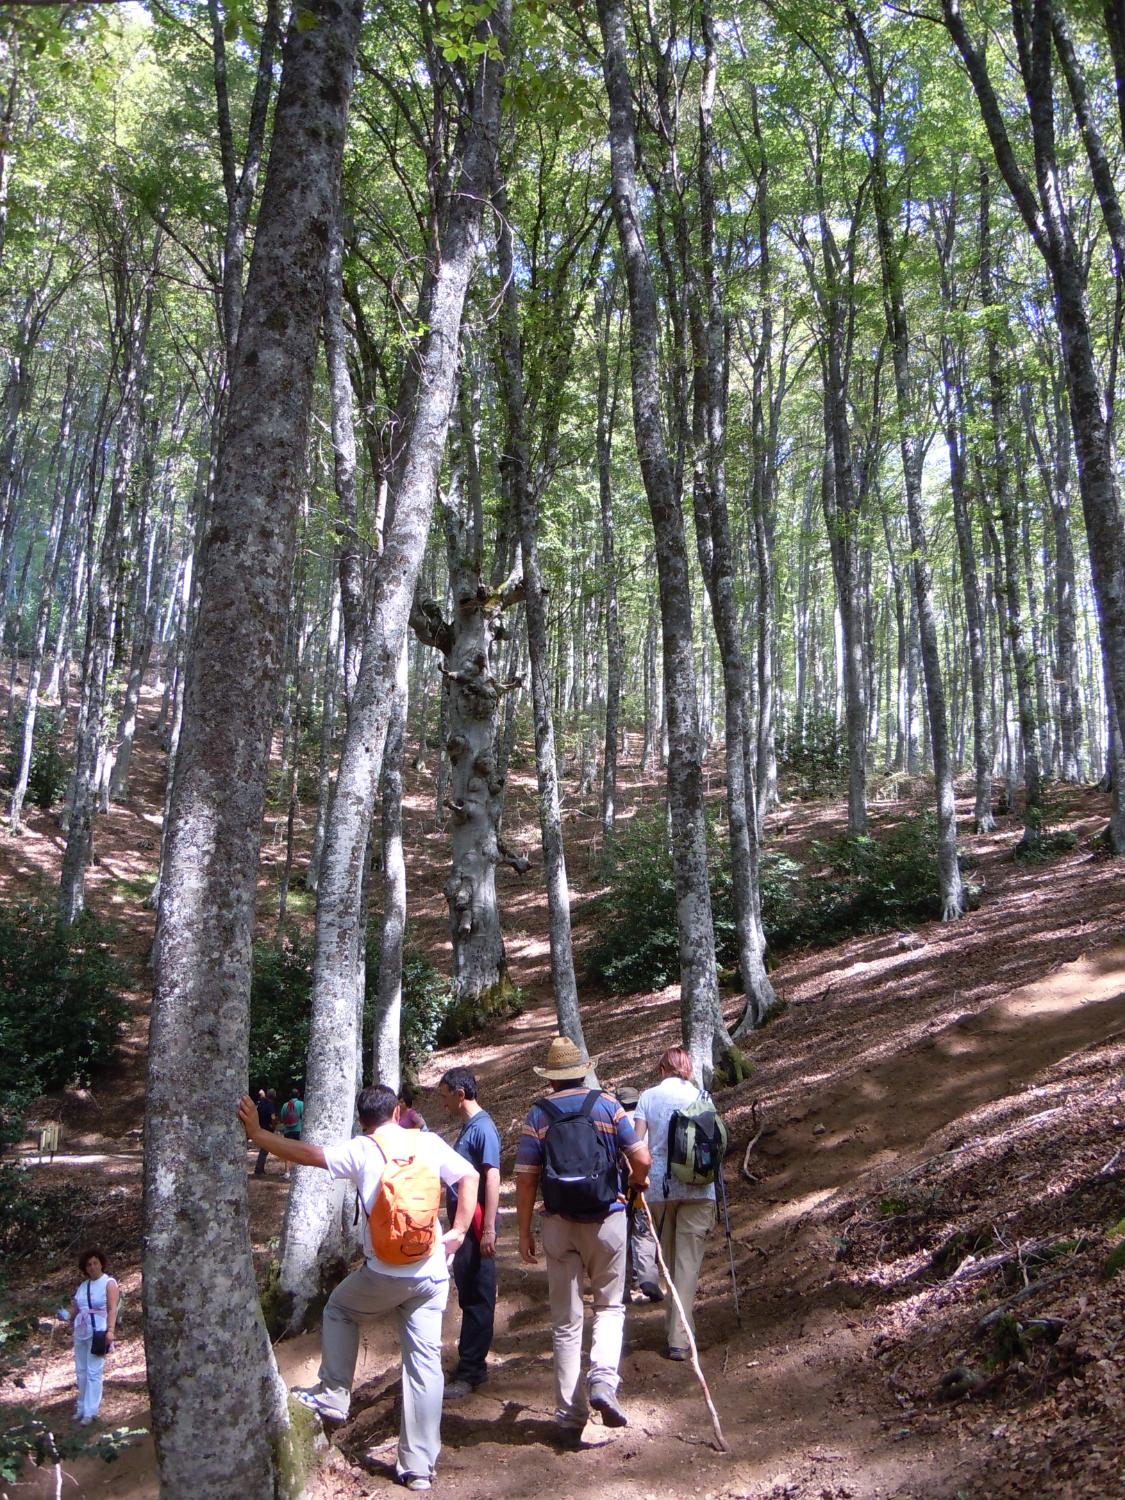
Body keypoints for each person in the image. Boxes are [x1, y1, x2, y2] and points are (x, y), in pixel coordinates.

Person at [239, 1085, 478, 1492]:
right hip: (432, 1271)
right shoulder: (429, 1142)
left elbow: (309, 1155)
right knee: (424, 1367)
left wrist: (260, 1136)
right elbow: (469, 1174)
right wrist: (457, 1230)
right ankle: (418, 1468)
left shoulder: (361, 1149)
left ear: (361, 1120)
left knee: (339, 1309)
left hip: (385, 1273)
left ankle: (334, 1393)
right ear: (398, 1110)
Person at [515, 1034, 650, 1445]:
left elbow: (525, 1179)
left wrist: (523, 1230)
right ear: (582, 1071)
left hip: (558, 1224)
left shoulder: (537, 1115)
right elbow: (641, 1157)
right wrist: (635, 1186)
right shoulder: (608, 1105)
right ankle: (604, 1381)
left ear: (551, 1078)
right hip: (607, 1219)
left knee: (566, 1322)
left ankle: (569, 1417)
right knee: (609, 1306)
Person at [633, 1047, 716, 1361]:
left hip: (659, 1189)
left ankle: (677, 1334)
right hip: (699, 1188)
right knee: (687, 1265)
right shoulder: (703, 1097)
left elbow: (637, 1146)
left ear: (662, 1068)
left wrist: (635, 1183)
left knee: (668, 1262)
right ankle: (680, 1338)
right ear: (687, 1069)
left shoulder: (648, 1097)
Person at [436, 1066, 501, 1399]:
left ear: (460, 1095)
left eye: (445, 1096)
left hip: (478, 1227)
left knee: (478, 1297)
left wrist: (488, 1228)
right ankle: (472, 1365)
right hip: (468, 1227)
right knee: (470, 1294)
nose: (443, 1103)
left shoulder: (483, 1129)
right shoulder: (470, 1128)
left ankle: (471, 1372)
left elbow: (491, 1177)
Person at [614, 1086, 662, 1303]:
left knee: (621, 1237)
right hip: (644, 1185)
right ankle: (648, 1278)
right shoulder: (646, 1121)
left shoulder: (618, 1122)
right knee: (644, 1233)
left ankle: (621, 1287)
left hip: (622, 1189)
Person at [68, 1247, 119, 1424]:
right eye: (88, 1265)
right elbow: (75, 1309)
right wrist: (65, 1316)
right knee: (81, 1371)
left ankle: (90, 1412)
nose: (92, 1267)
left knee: (93, 1372)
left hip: (99, 1332)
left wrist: (110, 1331)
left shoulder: (109, 1283)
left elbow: (112, 1309)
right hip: (81, 1332)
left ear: (101, 1263)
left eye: (95, 1263)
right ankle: (81, 1407)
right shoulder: (83, 1287)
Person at [278, 1088, 303, 1180]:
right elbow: (303, 1116)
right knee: (299, 1151)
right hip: (298, 1130)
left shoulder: (285, 1105)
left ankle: (287, 1172)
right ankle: (298, 1172)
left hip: (287, 1131)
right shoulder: (301, 1104)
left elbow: (282, 1118)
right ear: (298, 1095)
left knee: (287, 1151)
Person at [253, 1089, 277, 1176]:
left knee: (263, 1149)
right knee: (264, 1150)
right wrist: (273, 1126)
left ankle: (259, 1169)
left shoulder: (261, 1103)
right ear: (274, 1096)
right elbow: (273, 1117)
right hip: (268, 1129)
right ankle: (259, 1170)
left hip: (260, 1128)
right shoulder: (270, 1105)